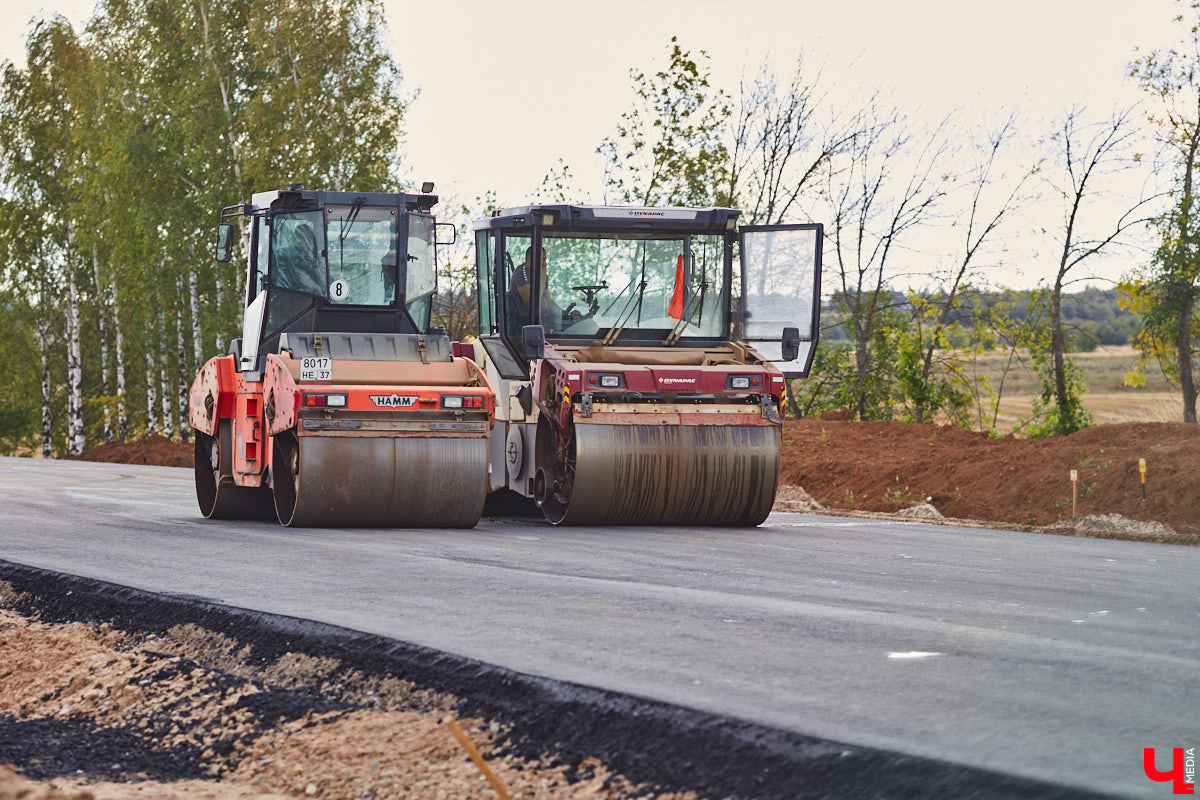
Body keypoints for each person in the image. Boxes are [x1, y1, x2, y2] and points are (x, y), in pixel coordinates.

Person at [508, 246, 581, 327]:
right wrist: (543, 272)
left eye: (545, 259)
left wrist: (565, 314)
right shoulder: (521, 272)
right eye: (542, 259)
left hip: (544, 319)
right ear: (529, 259)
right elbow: (532, 303)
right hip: (527, 323)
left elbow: (549, 301)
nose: (545, 263)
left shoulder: (540, 274)